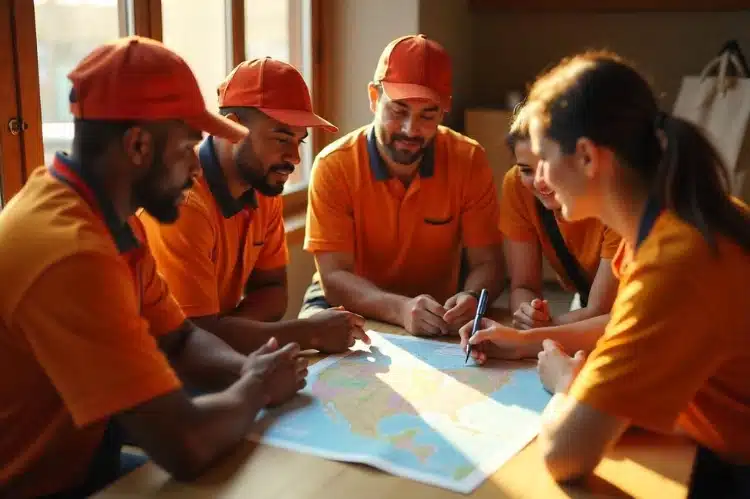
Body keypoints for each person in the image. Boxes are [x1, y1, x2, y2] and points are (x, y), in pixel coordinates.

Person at [0, 37, 307, 498]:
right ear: (139, 145)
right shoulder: (70, 250)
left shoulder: (113, 221)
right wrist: (259, 387)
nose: (196, 168)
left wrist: (249, 369)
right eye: (188, 148)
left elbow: (180, 338)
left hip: (86, 462)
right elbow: (184, 443)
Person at [463, 50, 750, 489]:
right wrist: (524, 342)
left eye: (543, 158)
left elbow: (566, 455)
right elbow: (624, 329)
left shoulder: (674, 261)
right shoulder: (673, 220)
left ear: (586, 157)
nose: (539, 179)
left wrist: (569, 385)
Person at [139, 58, 368, 355]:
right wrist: (307, 332)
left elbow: (273, 293)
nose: (295, 158)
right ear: (231, 128)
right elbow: (192, 342)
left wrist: (224, 330)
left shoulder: (263, 188)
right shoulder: (182, 202)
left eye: (299, 141)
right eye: (282, 137)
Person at [300, 34, 504, 336]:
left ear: (444, 110)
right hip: (347, 301)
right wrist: (399, 309)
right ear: (373, 98)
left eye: (428, 114)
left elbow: (489, 263)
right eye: (398, 110)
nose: (411, 129)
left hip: (436, 309)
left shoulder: (469, 159)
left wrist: (472, 298)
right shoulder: (333, 165)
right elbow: (334, 278)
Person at [460, 105, 621, 359]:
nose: (539, 182)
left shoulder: (617, 198)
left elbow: (602, 312)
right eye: (526, 170)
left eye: (547, 166)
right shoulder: (518, 187)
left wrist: (526, 338)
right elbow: (523, 284)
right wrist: (528, 316)